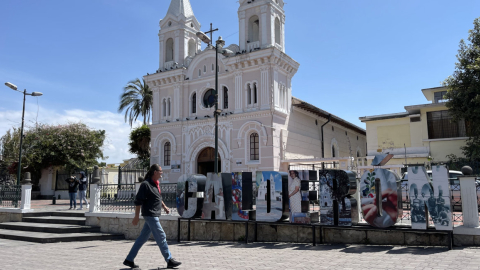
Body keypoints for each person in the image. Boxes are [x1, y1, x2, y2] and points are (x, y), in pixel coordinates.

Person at [123, 164, 181, 269]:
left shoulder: (155, 184)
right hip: (150, 214)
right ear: (155, 172)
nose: (161, 173)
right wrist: (136, 216)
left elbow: (158, 198)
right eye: (160, 171)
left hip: (153, 214)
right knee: (161, 235)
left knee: (142, 238)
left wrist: (164, 207)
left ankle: (129, 259)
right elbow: (138, 201)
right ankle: (169, 260)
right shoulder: (145, 184)